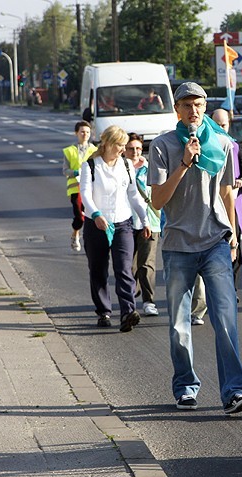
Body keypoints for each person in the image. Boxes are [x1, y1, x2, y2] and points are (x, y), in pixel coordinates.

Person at [148, 82, 242, 414]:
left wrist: (234, 235)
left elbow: (226, 194)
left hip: (215, 243)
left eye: (199, 105)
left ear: (205, 107)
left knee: (226, 320)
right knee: (180, 325)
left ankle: (235, 392)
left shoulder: (222, 143)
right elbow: (157, 200)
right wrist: (183, 164)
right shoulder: (162, 146)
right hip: (179, 245)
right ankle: (186, 388)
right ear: (176, 110)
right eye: (187, 105)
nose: (193, 111)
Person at [79, 125, 149, 332]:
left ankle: (128, 312)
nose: (123, 149)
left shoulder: (126, 165)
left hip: (122, 223)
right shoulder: (91, 165)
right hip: (97, 224)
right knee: (98, 269)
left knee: (124, 268)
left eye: (124, 146)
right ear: (108, 144)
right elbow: (85, 195)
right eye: (120, 145)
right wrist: (96, 215)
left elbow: (133, 194)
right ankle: (103, 311)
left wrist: (144, 219)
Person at [191, 109, 242, 325]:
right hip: (204, 209)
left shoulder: (233, 147)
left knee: (232, 249)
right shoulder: (201, 145)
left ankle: (229, 290)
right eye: (217, 124)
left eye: (224, 125)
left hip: (230, 207)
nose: (221, 128)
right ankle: (202, 303)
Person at [125, 132, 162, 317]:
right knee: (128, 265)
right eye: (131, 148)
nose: (135, 152)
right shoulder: (120, 169)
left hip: (151, 222)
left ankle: (149, 301)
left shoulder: (150, 168)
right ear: (124, 149)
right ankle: (132, 296)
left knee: (146, 264)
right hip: (126, 222)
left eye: (138, 148)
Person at [63, 120, 96, 252]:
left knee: (91, 215)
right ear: (76, 133)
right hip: (75, 188)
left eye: (87, 132)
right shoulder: (69, 151)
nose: (85, 134)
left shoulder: (95, 150)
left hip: (91, 188)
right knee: (79, 216)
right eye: (82, 132)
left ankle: (91, 241)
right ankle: (75, 233)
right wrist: (75, 172)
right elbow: (65, 170)